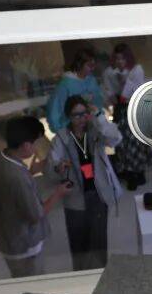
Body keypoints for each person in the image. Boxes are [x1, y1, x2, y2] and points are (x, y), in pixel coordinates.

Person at [0, 116, 71, 278]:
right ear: (26, 145)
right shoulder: (18, 177)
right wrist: (58, 193)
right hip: (25, 247)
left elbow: (10, 188)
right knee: (35, 284)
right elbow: (36, 215)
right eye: (35, 143)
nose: (36, 148)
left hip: (7, 240)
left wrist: (33, 170)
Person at [48, 95, 122, 271]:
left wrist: (99, 117)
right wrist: (58, 167)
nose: (81, 119)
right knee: (79, 243)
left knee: (99, 241)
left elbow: (115, 139)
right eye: (76, 115)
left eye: (84, 114)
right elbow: (51, 166)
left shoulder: (96, 130)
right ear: (68, 116)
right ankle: (81, 276)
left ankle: (100, 273)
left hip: (98, 192)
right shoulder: (61, 138)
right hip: (75, 198)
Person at [104, 43, 152, 190]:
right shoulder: (109, 72)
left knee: (136, 142)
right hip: (120, 110)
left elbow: (135, 91)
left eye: (123, 58)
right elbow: (109, 92)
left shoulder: (136, 70)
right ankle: (129, 173)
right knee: (122, 142)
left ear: (128, 58)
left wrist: (123, 86)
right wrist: (115, 96)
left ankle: (139, 172)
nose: (120, 61)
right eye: (117, 58)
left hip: (133, 108)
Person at [45, 47, 104, 134]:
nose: (92, 69)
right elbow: (56, 108)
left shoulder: (91, 80)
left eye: (93, 65)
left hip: (90, 126)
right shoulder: (66, 84)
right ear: (79, 64)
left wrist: (98, 117)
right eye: (89, 65)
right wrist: (58, 128)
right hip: (71, 128)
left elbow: (97, 102)